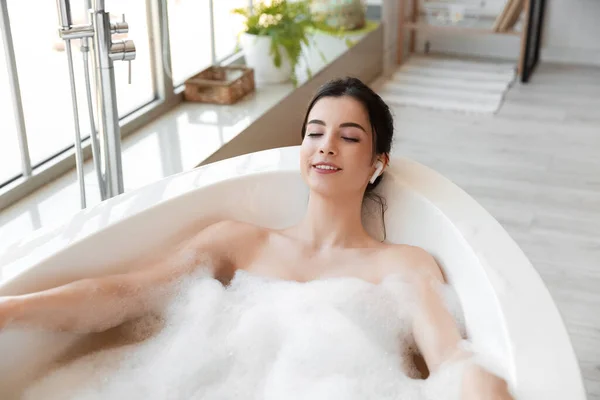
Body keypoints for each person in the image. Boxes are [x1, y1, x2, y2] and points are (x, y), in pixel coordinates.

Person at [0, 77, 513, 399]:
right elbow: (127, 294)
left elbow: (449, 359)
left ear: (377, 164)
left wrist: (483, 385)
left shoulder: (402, 265)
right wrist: (13, 310)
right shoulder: (238, 241)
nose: (325, 146)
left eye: (349, 136)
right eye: (314, 132)